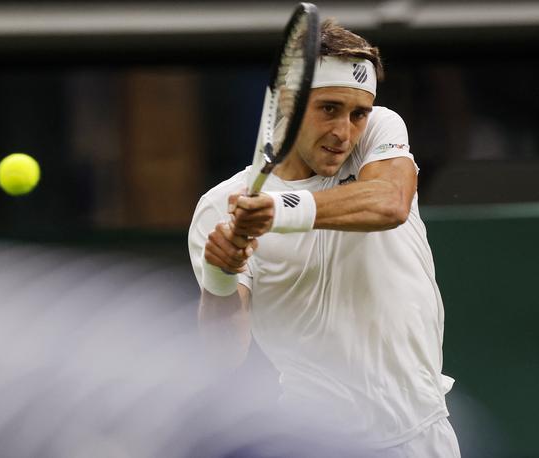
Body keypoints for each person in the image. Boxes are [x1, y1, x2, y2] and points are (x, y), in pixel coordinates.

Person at [188, 19, 460, 457]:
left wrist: (276, 211)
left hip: (424, 432)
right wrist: (222, 273)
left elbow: (390, 203)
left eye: (357, 113)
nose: (344, 132)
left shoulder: (380, 131)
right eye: (329, 108)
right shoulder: (220, 205)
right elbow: (223, 355)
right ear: (287, 104)